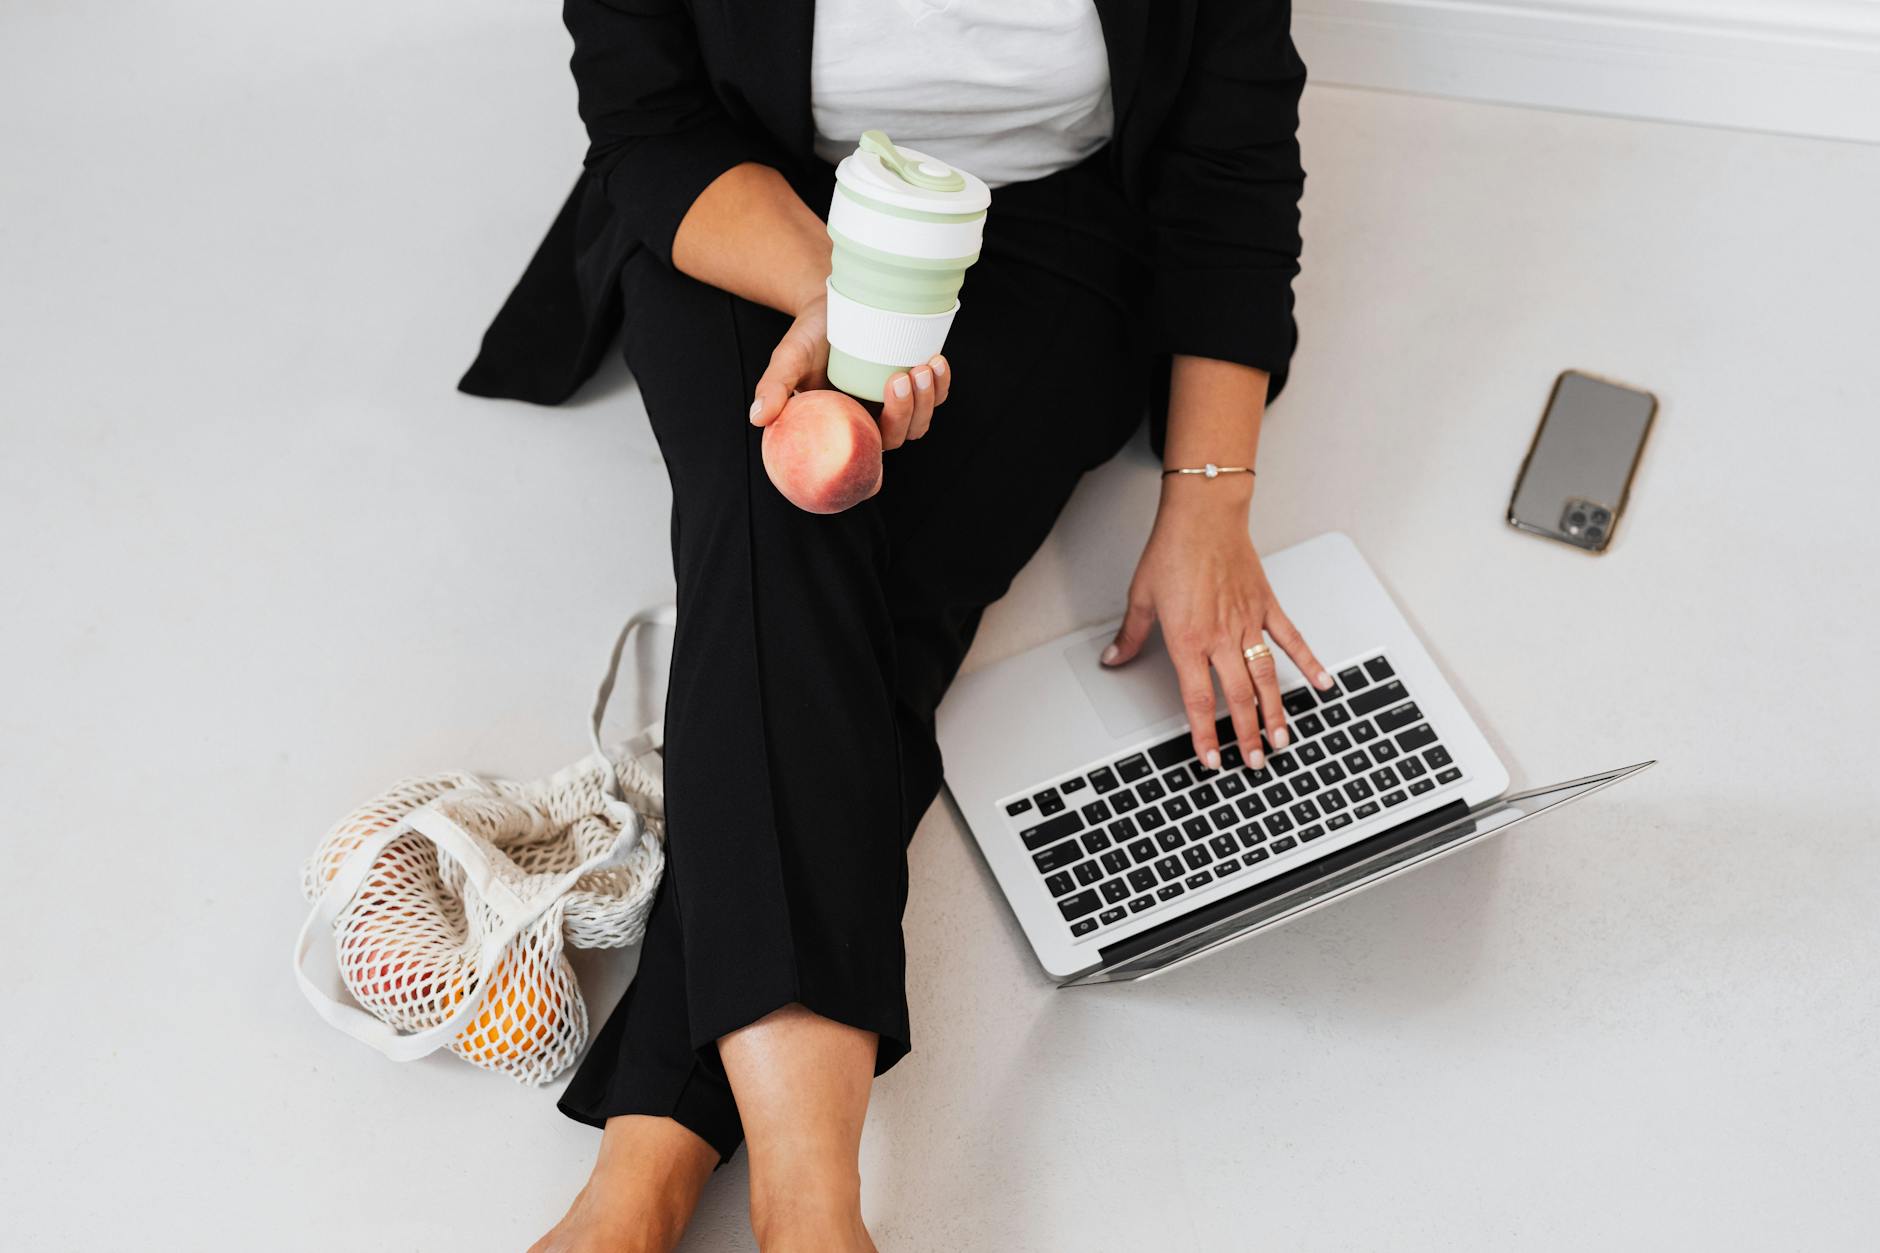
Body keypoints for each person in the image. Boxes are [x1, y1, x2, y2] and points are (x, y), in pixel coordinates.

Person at [460, 2, 1327, 1248]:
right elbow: (648, 116)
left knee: (856, 627)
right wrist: (847, 295)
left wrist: (1207, 498)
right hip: (754, 201)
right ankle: (810, 1211)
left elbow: (1230, 145)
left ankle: (639, 1173)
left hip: (1052, 231)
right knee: (781, 514)